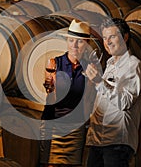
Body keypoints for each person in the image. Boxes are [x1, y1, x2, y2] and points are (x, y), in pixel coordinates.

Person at [84, 18, 141, 167]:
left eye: (112, 36)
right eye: (105, 38)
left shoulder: (134, 65)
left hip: (116, 142)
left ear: (125, 37)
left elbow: (124, 102)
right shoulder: (110, 64)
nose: (108, 42)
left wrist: (99, 82)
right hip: (98, 139)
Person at [39, 19, 98, 167]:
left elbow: (90, 101)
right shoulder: (54, 63)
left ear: (86, 44)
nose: (75, 45)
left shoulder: (89, 68)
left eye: (80, 42)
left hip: (76, 128)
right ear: (67, 41)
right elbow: (49, 96)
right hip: (54, 125)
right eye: (71, 40)